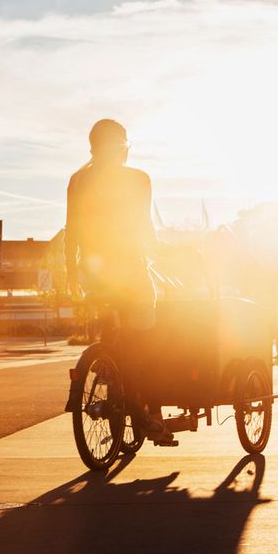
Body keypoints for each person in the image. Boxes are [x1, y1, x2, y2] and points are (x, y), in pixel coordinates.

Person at [64, 118, 172, 443]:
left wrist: (72, 273)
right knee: (151, 337)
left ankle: (107, 364)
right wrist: (160, 254)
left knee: (111, 321)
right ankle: (152, 414)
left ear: (92, 147)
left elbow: (72, 229)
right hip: (129, 270)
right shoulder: (139, 179)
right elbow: (144, 225)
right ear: (124, 147)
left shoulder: (78, 180)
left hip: (93, 274)